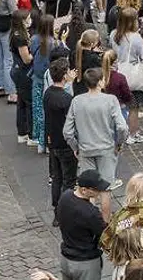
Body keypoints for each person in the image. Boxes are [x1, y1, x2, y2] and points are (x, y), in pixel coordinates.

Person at [64, 67, 129, 190]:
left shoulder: (77, 101)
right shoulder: (111, 100)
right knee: (106, 189)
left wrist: (75, 147)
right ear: (99, 82)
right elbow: (122, 128)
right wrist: (119, 143)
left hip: (85, 149)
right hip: (106, 149)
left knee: (88, 190)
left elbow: (67, 131)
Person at [56, 170, 113, 280]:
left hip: (66, 258)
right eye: (96, 190)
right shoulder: (91, 213)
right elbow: (105, 233)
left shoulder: (65, 197)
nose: (99, 192)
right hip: (86, 263)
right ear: (84, 190)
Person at [45, 59, 81, 220]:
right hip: (66, 143)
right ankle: (64, 212)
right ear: (65, 74)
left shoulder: (48, 94)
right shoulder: (66, 99)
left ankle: (56, 211)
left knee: (57, 177)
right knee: (68, 179)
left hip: (53, 141)